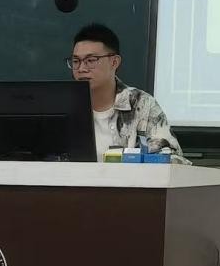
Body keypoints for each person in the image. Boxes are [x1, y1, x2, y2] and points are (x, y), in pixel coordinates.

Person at [68, 23, 186, 162]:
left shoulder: (142, 104)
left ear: (114, 62)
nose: (81, 68)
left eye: (90, 60)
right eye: (76, 61)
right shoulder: (64, 105)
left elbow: (171, 160)